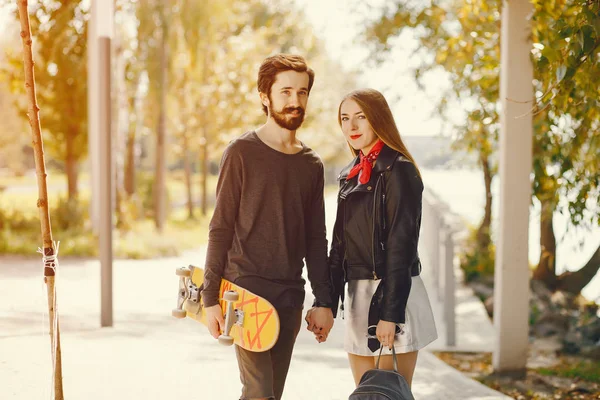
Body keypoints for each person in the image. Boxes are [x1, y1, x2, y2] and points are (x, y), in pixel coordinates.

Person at [201, 53, 335, 400]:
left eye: (302, 93)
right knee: (259, 391)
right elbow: (221, 227)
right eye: (286, 92)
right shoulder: (241, 153)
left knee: (271, 393)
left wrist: (325, 299)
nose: (295, 101)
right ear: (265, 97)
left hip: (289, 295)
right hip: (245, 292)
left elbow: (315, 240)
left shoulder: (311, 165)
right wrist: (210, 296)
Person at [321, 88, 438, 387]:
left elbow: (402, 246)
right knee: (364, 393)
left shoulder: (399, 169)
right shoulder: (351, 175)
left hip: (392, 296)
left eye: (361, 117)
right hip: (358, 297)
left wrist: (391, 313)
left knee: (388, 393)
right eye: (345, 119)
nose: (352, 126)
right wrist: (326, 305)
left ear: (379, 120)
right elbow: (339, 248)